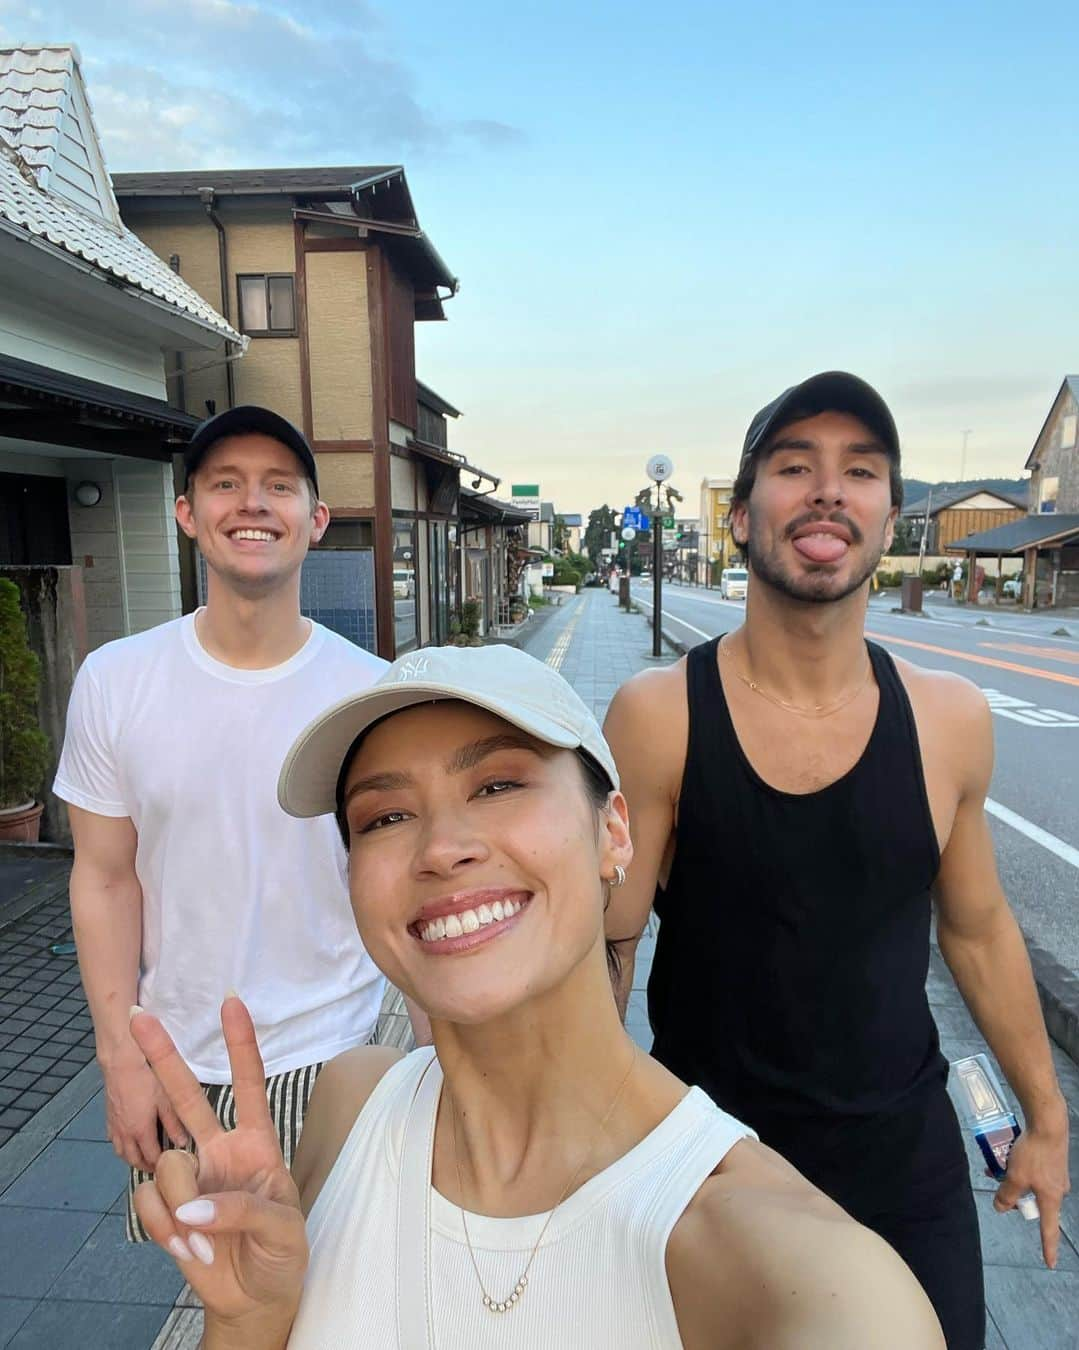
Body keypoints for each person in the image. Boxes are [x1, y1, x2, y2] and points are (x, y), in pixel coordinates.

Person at [127, 645, 944, 1349]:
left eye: (497, 786)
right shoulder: (351, 1104)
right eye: (385, 817)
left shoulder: (789, 1267)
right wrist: (246, 1319)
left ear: (613, 831)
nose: (443, 848)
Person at [602, 372, 1071, 1350]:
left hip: (905, 1170)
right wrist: (573, 1140)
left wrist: (1047, 1115)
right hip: (709, 1165)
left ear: (892, 519)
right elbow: (605, 946)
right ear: (738, 516)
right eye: (794, 467)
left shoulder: (949, 720)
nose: (828, 491)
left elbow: (979, 927)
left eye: (860, 471)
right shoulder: (660, 716)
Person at [54, 405, 393, 1240]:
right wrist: (119, 1057)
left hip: (337, 1049)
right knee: (223, 1289)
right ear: (187, 514)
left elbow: (402, 881)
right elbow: (102, 875)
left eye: (279, 487)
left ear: (315, 521)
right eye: (226, 485)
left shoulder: (372, 692)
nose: (252, 504)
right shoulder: (116, 679)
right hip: (177, 1058)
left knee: (346, 1280)